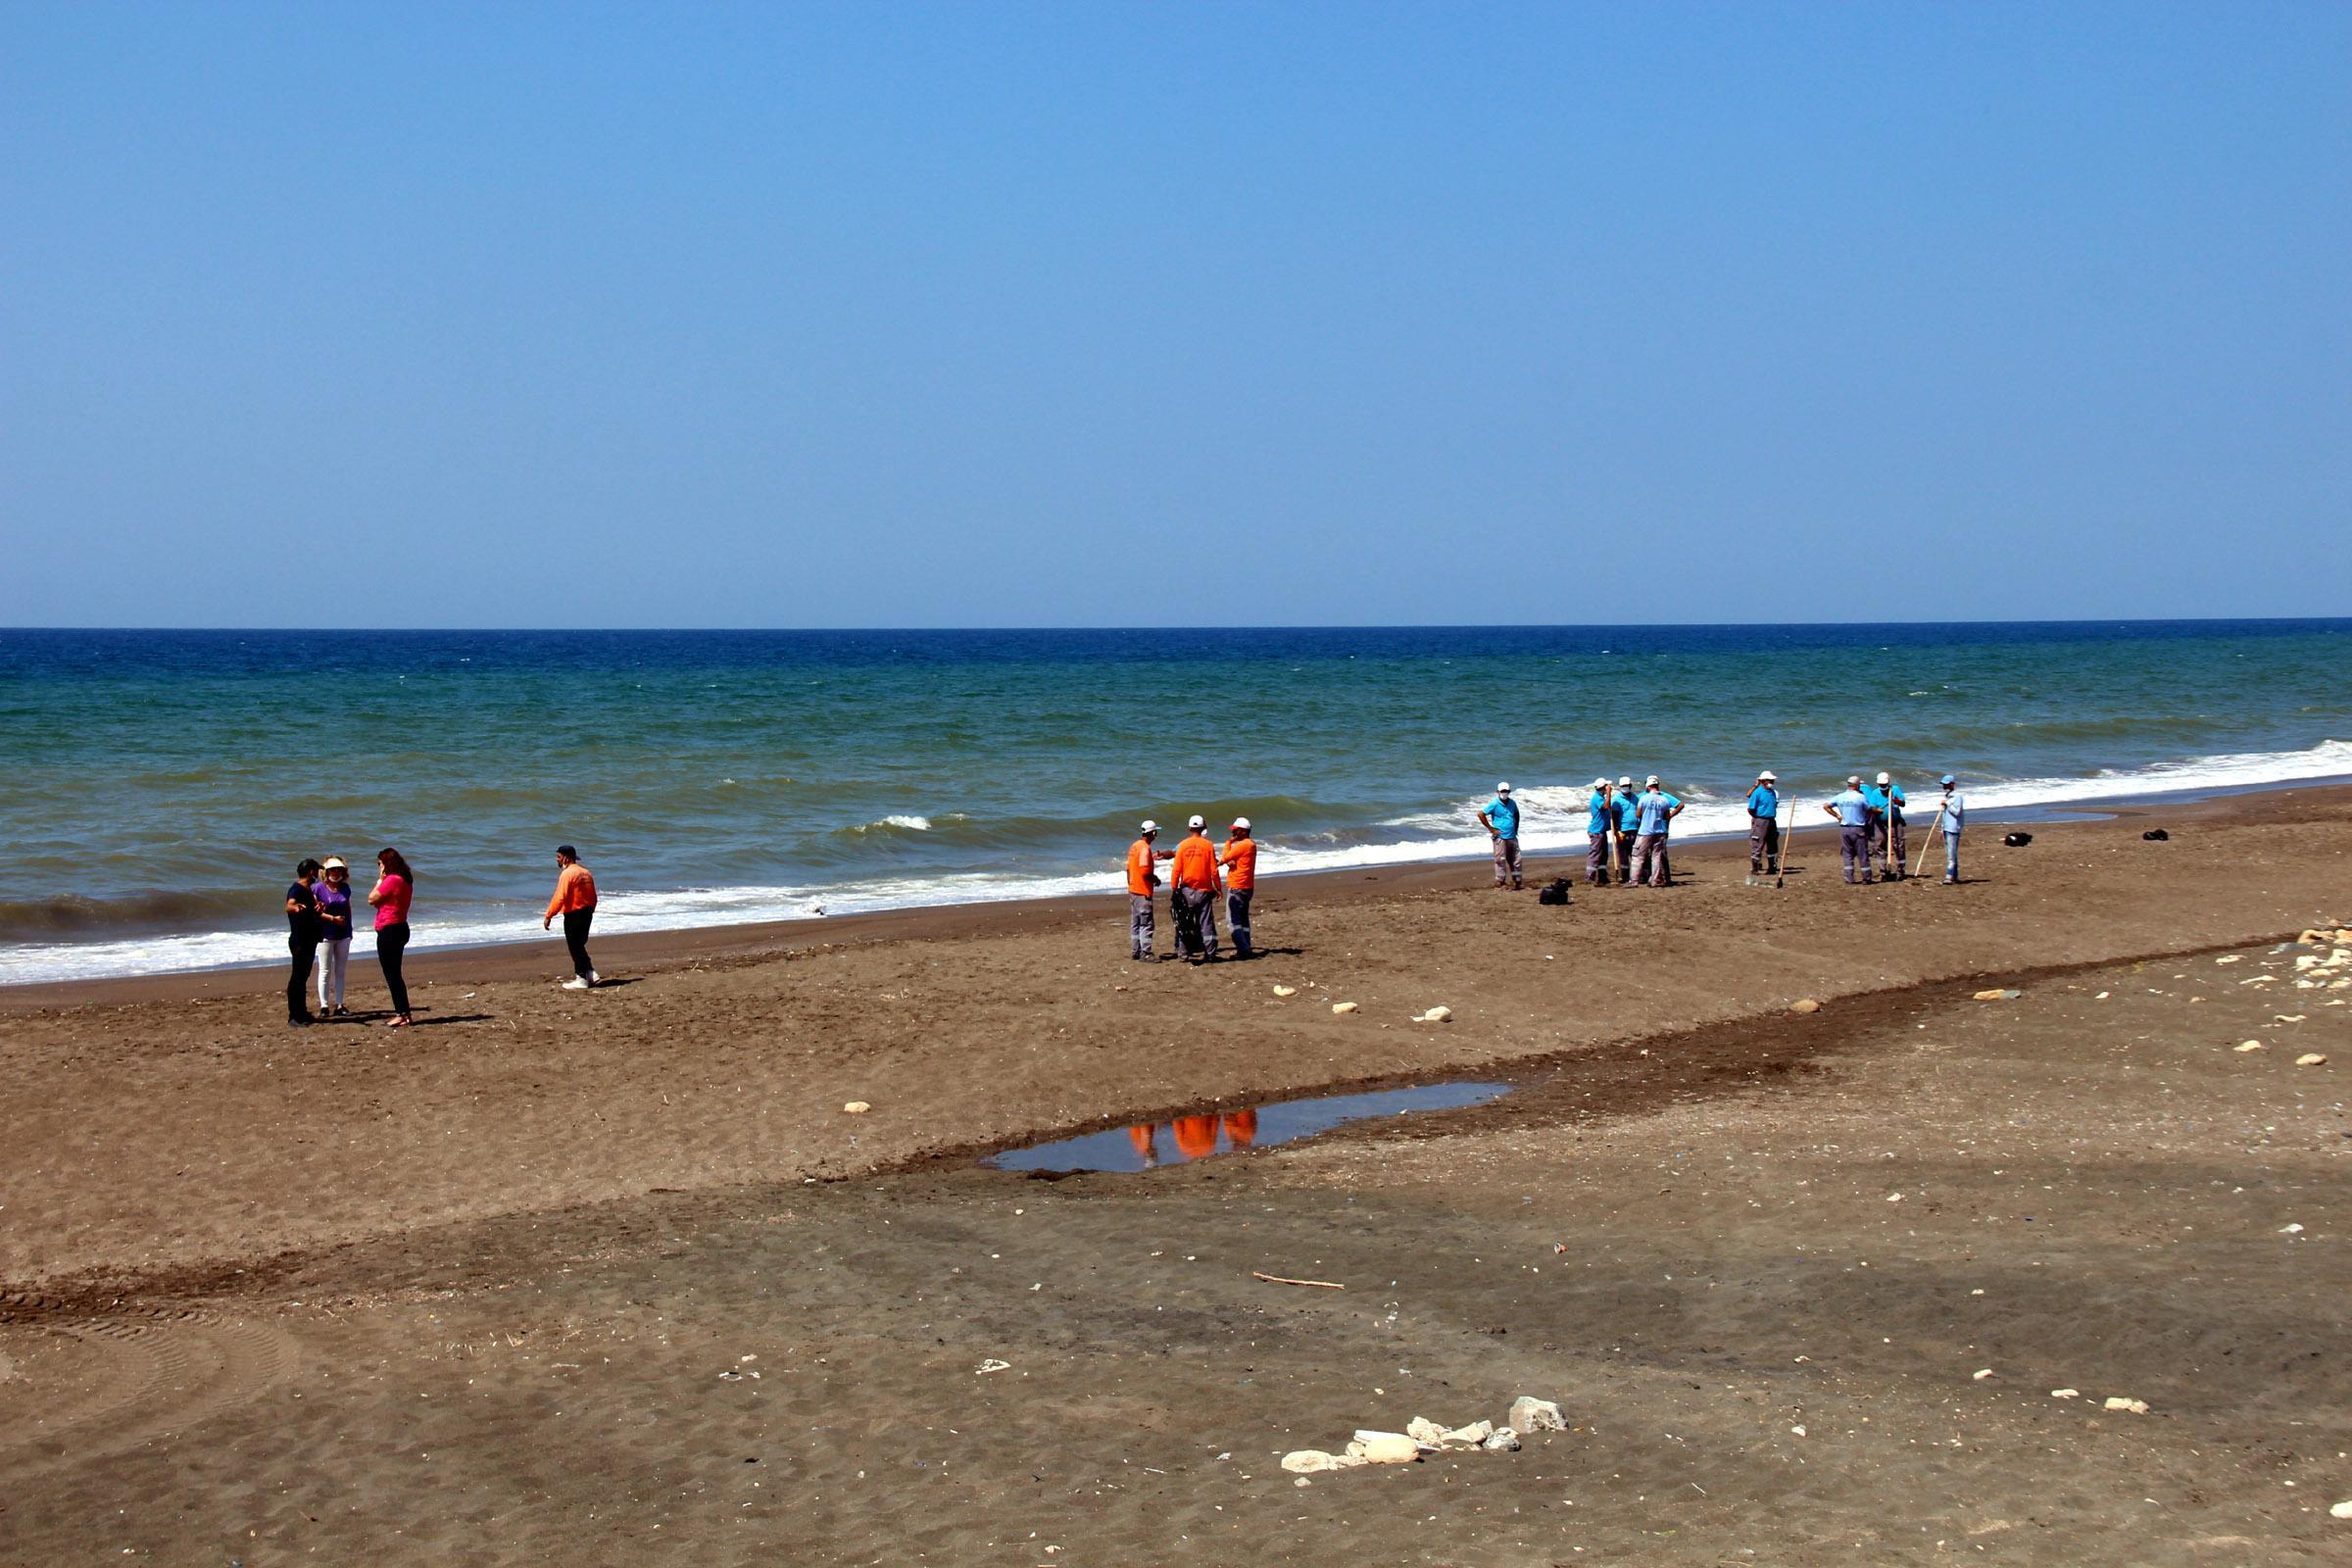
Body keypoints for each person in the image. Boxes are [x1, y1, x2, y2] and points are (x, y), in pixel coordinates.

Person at [368, 847, 416, 1026]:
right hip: (400, 927)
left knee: (392, 974)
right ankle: (405, 1013)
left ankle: (402, 1013)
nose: (379, 867)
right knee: (394, 973)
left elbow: (372, 898)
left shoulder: (392, 879)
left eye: (380, 864)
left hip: (390, 929)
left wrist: (380, 879)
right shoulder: (405, 880)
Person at [544, 845, 600, 989]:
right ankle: (590, 972)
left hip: (574, 913)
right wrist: (590, 911)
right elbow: (593, 896)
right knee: (579, 945)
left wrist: (549, 915)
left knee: (574, 946)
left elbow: (560, 897)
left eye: (558, 857)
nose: (557, 859)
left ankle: (581, 977)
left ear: (566, 858)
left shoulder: (567, 874)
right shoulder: (586, 872)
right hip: (587, 912)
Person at [1168, 815, 1222, 961]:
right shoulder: (1208, 845)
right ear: (1203, 828)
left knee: (1184, 922)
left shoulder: (1183, 845)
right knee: (1206, 923)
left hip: (1186, 890)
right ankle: (1210, 953)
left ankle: (1183, 954)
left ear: (1189, 828)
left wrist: (1174, 888)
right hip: (1204, 890)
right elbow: (1214, 870)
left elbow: (1176, 870)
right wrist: (1218, 887)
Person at [1125, 820, 1174, 960]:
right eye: (1156, 832)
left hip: (1134, 889)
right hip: (1143, 891)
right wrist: (1156, 879)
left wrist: (1130, 885)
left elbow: (1129, 868)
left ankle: (1136, 950)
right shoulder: (1145, 849)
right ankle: (1146, 953)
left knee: (1136, 923)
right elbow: (1145, 872)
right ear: (1153, 833)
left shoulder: (1134, 846)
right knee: (1146, 923)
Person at [284, 858, 323, 1027]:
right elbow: (289, 905)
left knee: (303, 977)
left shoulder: (308, 890)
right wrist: (295, 908)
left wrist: (318, 907)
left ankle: (302, 1012)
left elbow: (314, 911)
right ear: (310, 873)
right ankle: (294, 1015)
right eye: (316, 871)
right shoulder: (297, 889)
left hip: (309, 939)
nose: (318, 874)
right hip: (300, 940)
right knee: (297, 978)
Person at [315, 856, 354, 1016]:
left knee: (340, 970)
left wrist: (350, 929)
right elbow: (315, 912)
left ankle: (339, 1004)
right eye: (332, 870)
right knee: (325, 970)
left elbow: (348, 908)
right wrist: (332, 919)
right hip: (325, 934)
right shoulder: (317, 888)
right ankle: (324, 1005)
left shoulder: (345, 888)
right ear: (326, 872)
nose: (336, 873)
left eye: (338, 870)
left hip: (343, 934)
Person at [1629, 778, 1681, 887]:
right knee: (1656, 857)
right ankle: (1654, 880)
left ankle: (1633, 881)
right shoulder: (1664, 799)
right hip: (1660, 831)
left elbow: (1638, 814)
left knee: (1638, 856)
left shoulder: (1643, 798)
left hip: (1645, 831)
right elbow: (1666, 816)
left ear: (1648, 787)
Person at [1823, 777, 1875, 885]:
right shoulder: (1860, 797)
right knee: (1862, 854)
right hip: (1858, 828)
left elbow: (1826, 806)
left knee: (1847, 854)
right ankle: (1866, 878)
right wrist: (1878, 811)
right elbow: (1869, 810)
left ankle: (1849, 878)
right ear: (1857, 785)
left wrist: (1837, 816)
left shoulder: (1840, 796)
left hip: (1845, 828)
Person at [1219, 817, 1258, 958]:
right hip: (1247, 886)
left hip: (1237, 886)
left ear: (1243, 831)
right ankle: (1246, 946)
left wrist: (1228, 842)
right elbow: (1237, 860)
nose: (1234, 832)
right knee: (1243, 919)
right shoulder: (1251, 844)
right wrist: (1231, 861)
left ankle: (1243, 949)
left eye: (1236, 830)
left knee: (1233, 920)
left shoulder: (1242, 845)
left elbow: (1224, 858)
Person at [1477, 782, 1523, 890]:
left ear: (1509, 792)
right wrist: (1491, 828)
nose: (1504, 793)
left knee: (1517, 860)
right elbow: (1481, 814)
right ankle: (1501, 882)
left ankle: (1517, 881)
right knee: (1500, 860)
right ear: (1498, 792)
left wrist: (1516, 828)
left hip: (1512, 836)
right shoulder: (1494, 803)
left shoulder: (1512, 803)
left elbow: (1516, 814)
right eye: (1502, 791)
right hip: (1500, 837)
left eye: (1506, 791)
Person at [1642, 775, 1685, 885]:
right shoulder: (1643, 796)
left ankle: (1666, 877)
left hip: (1660, 829)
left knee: (1661, 854)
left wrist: (1670, 815)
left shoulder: (1663, 796)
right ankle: (1653, 876)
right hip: (1648, 830)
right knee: (1649, 854)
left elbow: (1680, 805)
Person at [1870, 771, 1909, 879]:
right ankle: (1883, 872)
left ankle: (1901, 871)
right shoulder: (1875, 793)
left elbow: (1903, 803)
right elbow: (1871, 807)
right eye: (1881, 784)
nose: (1883, 786)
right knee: (1880, 846)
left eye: (1884, 784)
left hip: (1895, 823)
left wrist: (1897, 801)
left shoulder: (1895, 789)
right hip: (1880, 824)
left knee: (1898, 845)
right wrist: (1877, 810)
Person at [1746, 771, 1783, 875]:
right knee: (1757, 843)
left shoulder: (1774, 792)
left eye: (1772, 780)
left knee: (1772, 843)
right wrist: (1757, 819)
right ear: (1763, 781)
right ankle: (1755, 868)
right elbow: (1751, 808)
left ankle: (1772, 867)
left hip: (1771, 820)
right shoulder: (1757, 793)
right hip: (1760, 820)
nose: (1772, 782)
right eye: (1769, 780)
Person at [1936, 773, 1965, 884]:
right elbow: (1945, 814)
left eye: (1946, 784)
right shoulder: (1947, 796)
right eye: (1943, 784)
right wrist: (1942, 828)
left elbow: (1957, 812)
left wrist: (1947, 803)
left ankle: (1948, 877)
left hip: (1953, 829)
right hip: (1947, 828)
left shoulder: (1957, 796)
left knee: (1951, 855)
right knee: (1950, 854)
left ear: (1952, 784)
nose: (1944, 786)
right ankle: (1955, 876)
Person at [1584, 778, 1615, 884]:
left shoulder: (1601, 797)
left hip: (1602, 831)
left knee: (1603, 855)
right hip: (1596, 831)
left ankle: (1602, 876)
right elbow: (1605, 806)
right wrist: (1609, 794)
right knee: (1595, 854)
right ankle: (1589, 877)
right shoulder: (1597, 798)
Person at [1612, 776, 1640, 881]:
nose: (1625, 787)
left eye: (1627, 786)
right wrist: (1616, 830)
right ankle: (1624, 876)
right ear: (1620, 787)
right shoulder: (1616, 800)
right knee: (1623, 855)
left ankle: (1637, 875)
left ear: (1630, 786)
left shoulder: (1635, 798)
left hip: (1635, 829)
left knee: (1635, 854)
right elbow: (1614, 816)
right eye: (1623, 786)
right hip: (1622, 830)